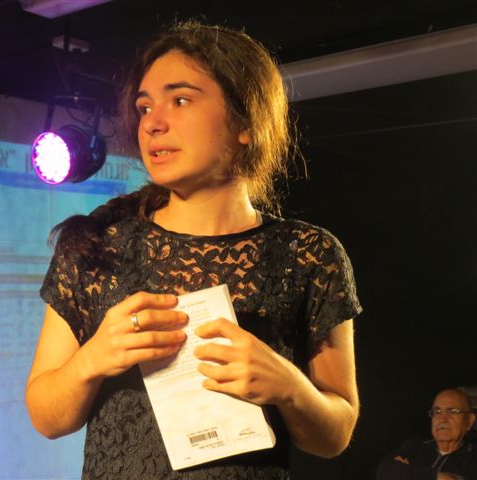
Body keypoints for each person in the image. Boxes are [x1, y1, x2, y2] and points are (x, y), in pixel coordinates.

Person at [25, 20, 362, 479]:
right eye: (145, 107)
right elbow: (47, 418)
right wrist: (93, 358)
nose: (153, 123)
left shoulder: (308, 254)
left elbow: (334, 435)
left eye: (180, 100)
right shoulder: (97, 246)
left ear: (246, 122)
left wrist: (289, 386)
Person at [376, 388, 477, 480]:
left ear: (470, 420)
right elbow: (384, 472)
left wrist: (408, 472)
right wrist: (436, 477)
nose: (442, 419)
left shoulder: (473, 458)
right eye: (437, 412)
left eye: (452, 412)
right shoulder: (414, 446)